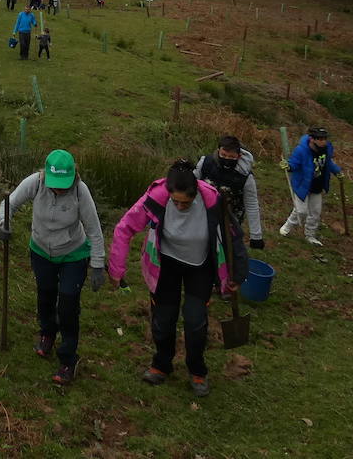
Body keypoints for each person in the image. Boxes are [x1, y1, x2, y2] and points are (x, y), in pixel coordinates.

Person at [108, 159, 236, 398]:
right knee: (163, 320)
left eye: (185, 203)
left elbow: (232, 237)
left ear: (195, 194)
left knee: (195, 321)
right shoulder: (158, 196)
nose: (178, 206)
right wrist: (117, 269)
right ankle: (161, 364)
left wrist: (233, 275)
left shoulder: (211, 200)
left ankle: (197, 370)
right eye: (174, 201)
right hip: (166, 264)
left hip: (200, 266)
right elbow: (125, 228)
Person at [0, 150, 106, 386]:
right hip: (41, 251)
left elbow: (95, 229)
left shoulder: (80, 191)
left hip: (73, 254)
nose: (58, 190)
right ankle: (47, 333)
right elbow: (9, 203)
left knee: (67, 304)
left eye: (62, 185)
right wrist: (3, 224)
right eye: (55, 185)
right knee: (45, 295)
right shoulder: (35, 183)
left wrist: (98, 264)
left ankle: (68, 358)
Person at [195, 135, 262, 283]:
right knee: (203, 246)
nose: (226, 159)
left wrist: (256, 235)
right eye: (223, 155)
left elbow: (252, 204)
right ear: (218, 151)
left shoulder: (245, 177)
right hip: (203, 215)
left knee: (227, 250)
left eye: (231, 157)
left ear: (239, 155)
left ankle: (225, 280)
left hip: (230, 220)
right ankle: (202, 276)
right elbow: (191, 184)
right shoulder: (205, 164)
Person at [279, 126, 343, 246]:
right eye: (319, 139)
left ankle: (310, 236)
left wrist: (337, 171)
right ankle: (287, 226)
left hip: (317, 185)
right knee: (301, 211)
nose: (323, 141)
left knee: (315, 212)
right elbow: (294, 163)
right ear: (312, 139)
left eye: (324, 138)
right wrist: (288, 166)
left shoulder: (327, 148)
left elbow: (328, 162)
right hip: (302, 184)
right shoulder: (301, 150)